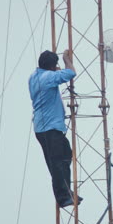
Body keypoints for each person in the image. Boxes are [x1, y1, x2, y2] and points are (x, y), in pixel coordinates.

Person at [28, 49, 82, 208]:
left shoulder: (34, 76)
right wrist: (66, 59)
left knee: (64, 156)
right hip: (50, 128)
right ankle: (63, 197)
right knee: (58, 162)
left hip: (43, 128)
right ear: (52, 66)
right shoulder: (48, 78)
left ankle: (66, 191)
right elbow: (71, 73)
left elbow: (53, 74)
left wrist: (55, 69)